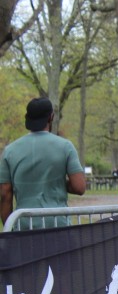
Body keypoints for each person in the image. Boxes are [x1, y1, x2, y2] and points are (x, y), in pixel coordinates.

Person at [1, 97, 86, 229]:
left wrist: (10, 229)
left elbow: (5, 194)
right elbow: (79, 187)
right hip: (58, 224)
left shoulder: (9, 151)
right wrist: (59, 183)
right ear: (51, 117)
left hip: (25, 226)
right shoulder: (65, 147)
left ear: (27, 118)